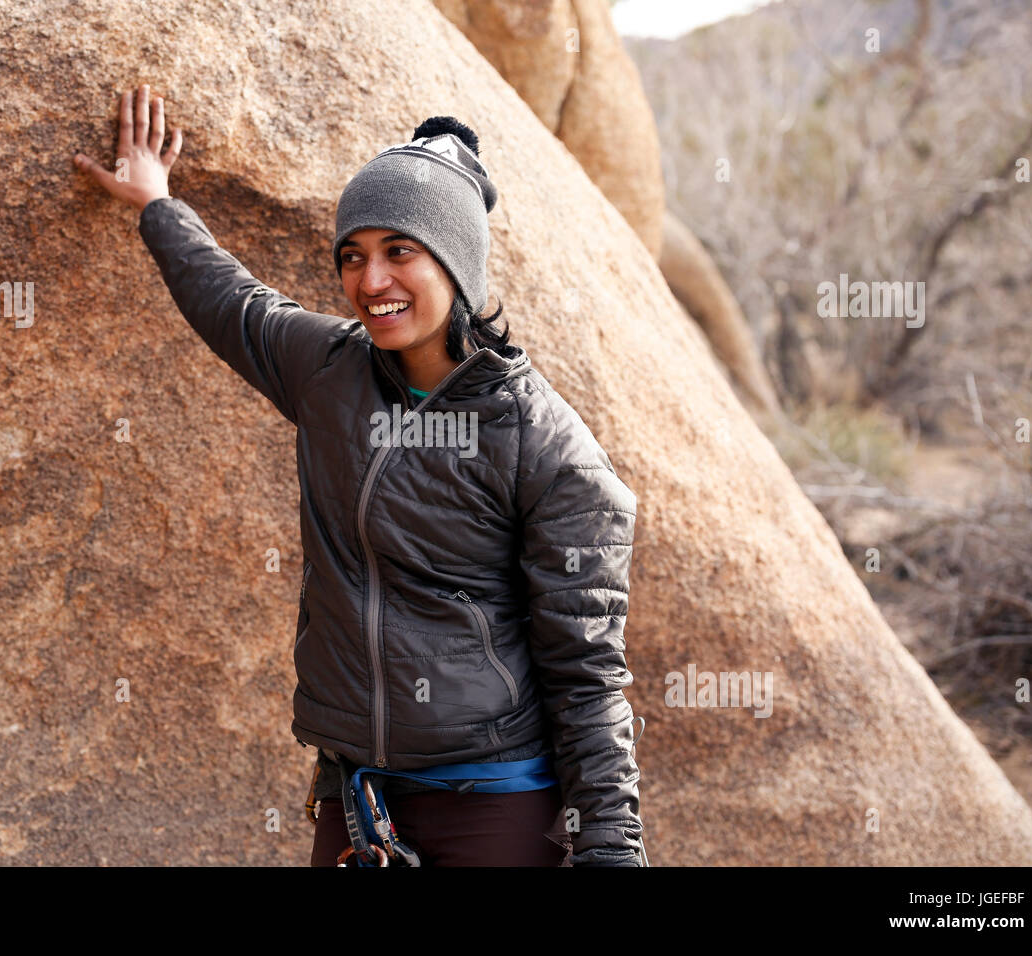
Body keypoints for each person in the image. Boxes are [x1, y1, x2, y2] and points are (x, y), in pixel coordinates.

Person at [74, 85, 647, 867]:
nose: (371, 279)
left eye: (399, 251)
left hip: (497, 810)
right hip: (358, 807)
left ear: (455, 261)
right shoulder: (328, 369)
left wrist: (611, 847)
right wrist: (156, 201)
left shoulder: (545, 448)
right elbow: (228, 300)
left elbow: (587, 676)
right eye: (353, 255)